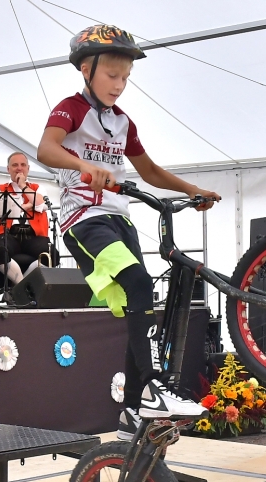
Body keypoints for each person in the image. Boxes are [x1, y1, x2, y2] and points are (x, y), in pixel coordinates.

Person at [36, 24, 220, 439]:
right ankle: (154, 389)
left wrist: (192, 190)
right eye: (112, 75)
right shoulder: (70, 109)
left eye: (126, 78)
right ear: (86, 70)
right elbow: (45, 149)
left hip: (121, 220)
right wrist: (82, 165)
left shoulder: (122, 122)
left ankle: (131, 413)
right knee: (138, 282)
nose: (119, 85)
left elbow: (149, 170)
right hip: (85, 217)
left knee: (139, 307)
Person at [0, 151, 51, 287]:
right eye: (15, 165)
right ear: (8, 169)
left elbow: (40, 203)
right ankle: (22, 287)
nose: (19, 168)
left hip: (33, 235)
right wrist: (29, 205)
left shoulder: (39, 188)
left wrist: (23, 186)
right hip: (8, 233)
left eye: (23, 165)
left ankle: (19, 289)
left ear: (28, 168)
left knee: (51, 255)